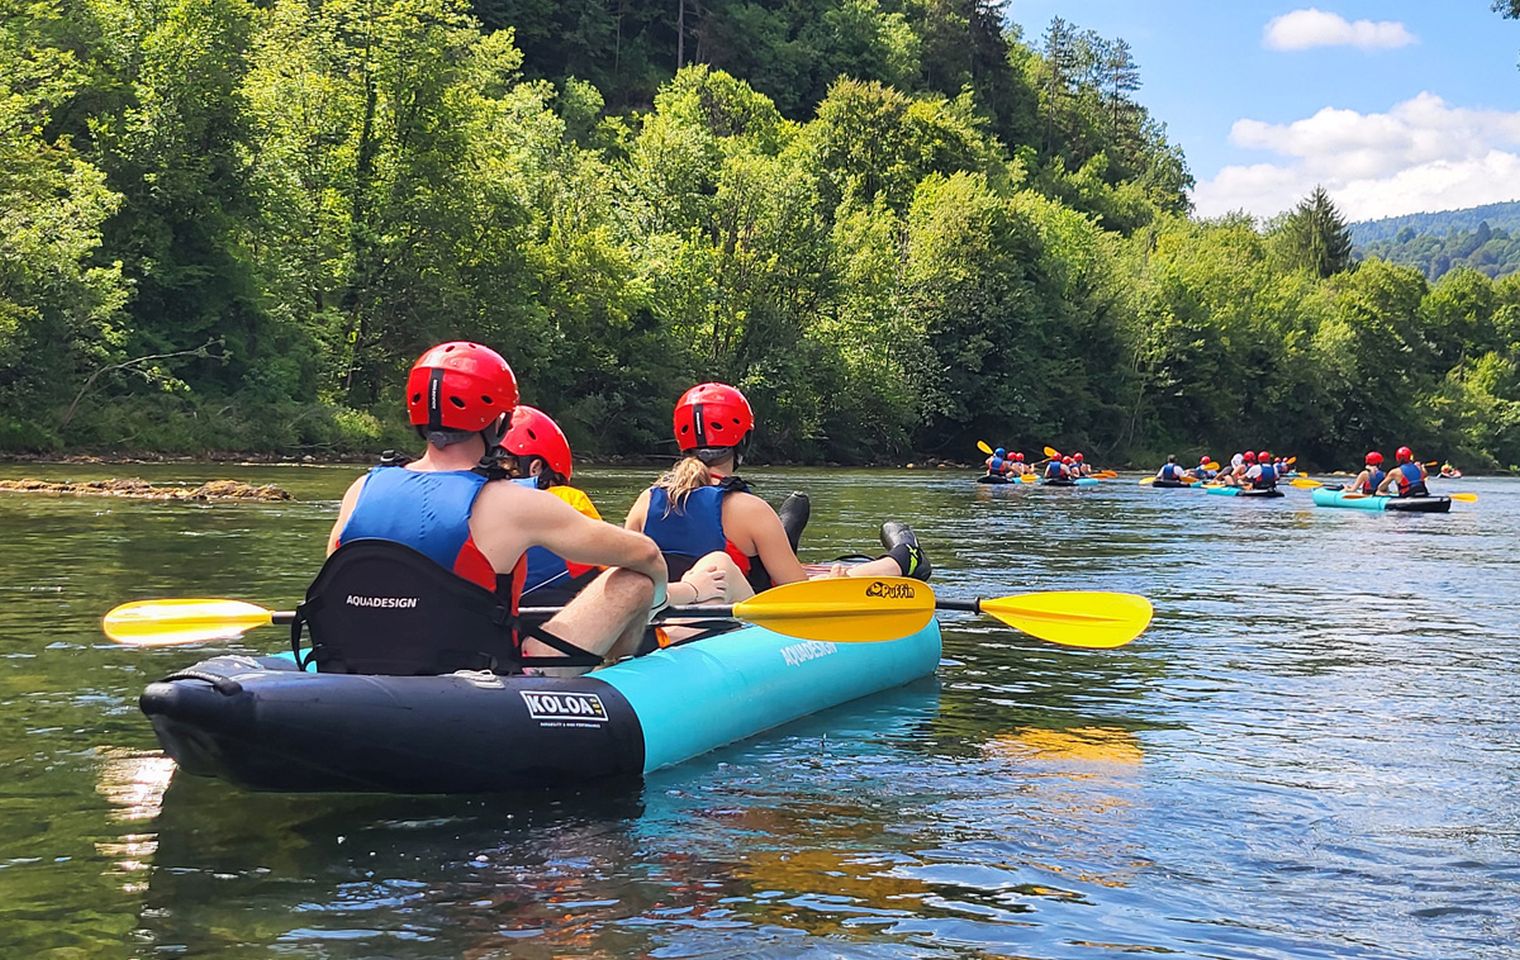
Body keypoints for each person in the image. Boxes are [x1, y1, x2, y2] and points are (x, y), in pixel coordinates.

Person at [316, 341, 668, 677]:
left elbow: (338, 581)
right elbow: (647, 554)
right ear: (500, 422)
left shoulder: (360, 490)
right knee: (634, 580)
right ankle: (621, 673)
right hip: (486, 681)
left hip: (357, 665)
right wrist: (659, 600)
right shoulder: (516, 502)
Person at [625, 382, 931, 606]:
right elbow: (797, 593)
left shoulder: (645, 501)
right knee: (828, 580)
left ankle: (784, 535)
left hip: (666, 615)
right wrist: (837, 583)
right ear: (743, 440)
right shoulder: (749, 509)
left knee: (765, 556)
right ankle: (906, 557)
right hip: (727, 616)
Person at [501, 404, 603, 607]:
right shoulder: (568, 498)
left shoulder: (474, 501)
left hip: (490, 620)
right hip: (554, 620)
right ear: (536, 467)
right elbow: (609, 565)